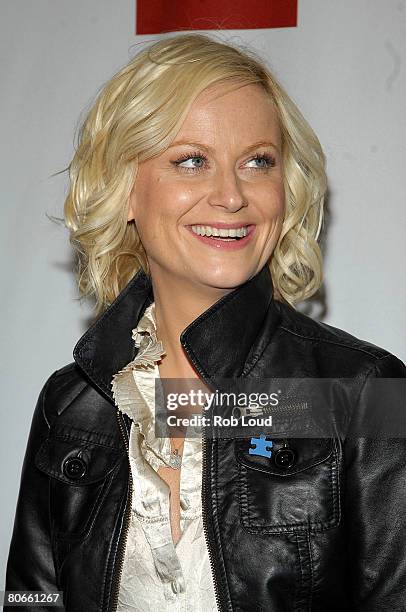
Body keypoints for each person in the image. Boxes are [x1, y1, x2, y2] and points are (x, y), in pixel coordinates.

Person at [4, 32, 406, 612]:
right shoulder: (71, 404)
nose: (231, 195)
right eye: (191, 161)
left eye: (257, 162)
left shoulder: (365, 393)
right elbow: (27, 599)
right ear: (126, 191)